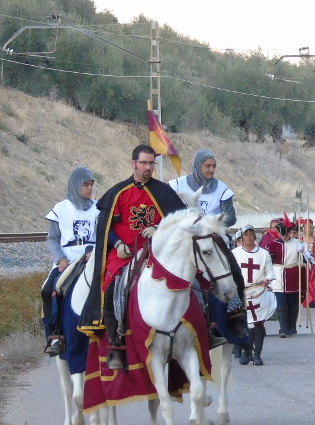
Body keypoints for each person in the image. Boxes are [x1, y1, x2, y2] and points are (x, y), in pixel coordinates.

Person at [79, 144, 186, 369]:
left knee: (193, 275)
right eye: (144, 163)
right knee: (111, 284)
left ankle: (205, 326)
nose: (148, 168)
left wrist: (159, 227)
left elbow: (179, 219)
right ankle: (116, 342)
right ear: (133, 164)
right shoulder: (118, 192)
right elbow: (105, 227)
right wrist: (116, 244)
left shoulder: (164, 192)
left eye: (151, 163)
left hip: (157, 250)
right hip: (125, 252)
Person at [169, 148, 247, 348]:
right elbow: (167, 211)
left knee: (234, 271)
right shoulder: (177, 185)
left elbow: (230, 216)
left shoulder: (221, 188)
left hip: (213, 238)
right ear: (197, 166)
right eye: (207, 166)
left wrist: (211, 222)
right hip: (187, 239)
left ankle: (236, 314)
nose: (211, 170)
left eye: (213, 166)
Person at [42, 166, 99, 355]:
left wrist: (95, 251)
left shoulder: (98, 209)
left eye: (91, 184)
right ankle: (54, 336)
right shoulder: (61, 209)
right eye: (86, 185)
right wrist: (60, 259)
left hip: (91, 259)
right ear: (76, 185)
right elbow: (52, 238)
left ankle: (116, 336)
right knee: (48, 290)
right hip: (67, 261)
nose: (89, 188)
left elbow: (103, 235)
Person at [232, 224, 275, 365]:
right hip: (241, 294)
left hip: (258, 293)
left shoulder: (263, 254)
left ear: (255, 236)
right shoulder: (235, 253)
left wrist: (266, 279)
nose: (249, 237)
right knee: (243, 325)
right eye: (246, 234)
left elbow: (270, 272)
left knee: (257, 324)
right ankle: (246, 352)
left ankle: (257, 354)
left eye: (251, 234)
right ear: (242, 237)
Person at [266, 218, 314, 337]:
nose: (284, 236)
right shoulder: (272, 245)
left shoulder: (299, 243)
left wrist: (304, 253)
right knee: (281, 303)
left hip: (294, 276)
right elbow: (267, 261)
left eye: (286, 234)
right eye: (282, 234)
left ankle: (292, 327)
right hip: (278, 276)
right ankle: (283, 329)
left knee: (293, 304)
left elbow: (308, 260)